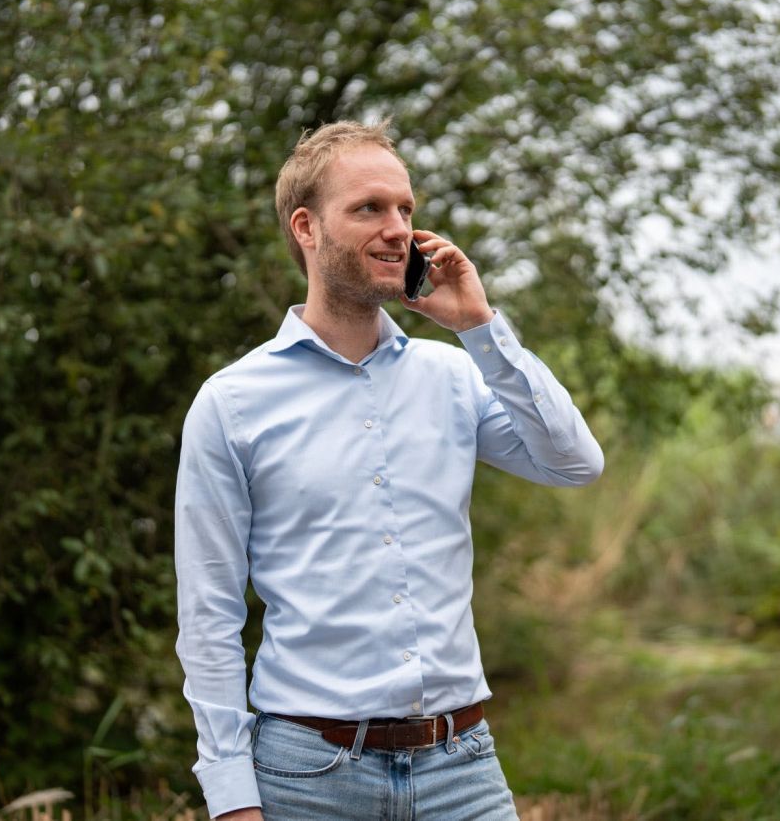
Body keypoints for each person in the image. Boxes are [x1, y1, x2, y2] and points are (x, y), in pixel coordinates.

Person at [174, 119, 604, 820]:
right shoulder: (232, 403)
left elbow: (574, 462)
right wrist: (230, 798)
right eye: (369, 208)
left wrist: (479, 327)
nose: (398, 228)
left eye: (405, 208)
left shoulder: (454, 376)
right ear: (307, 228)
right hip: (307, 778)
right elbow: (209, 613)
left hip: (461, 766)